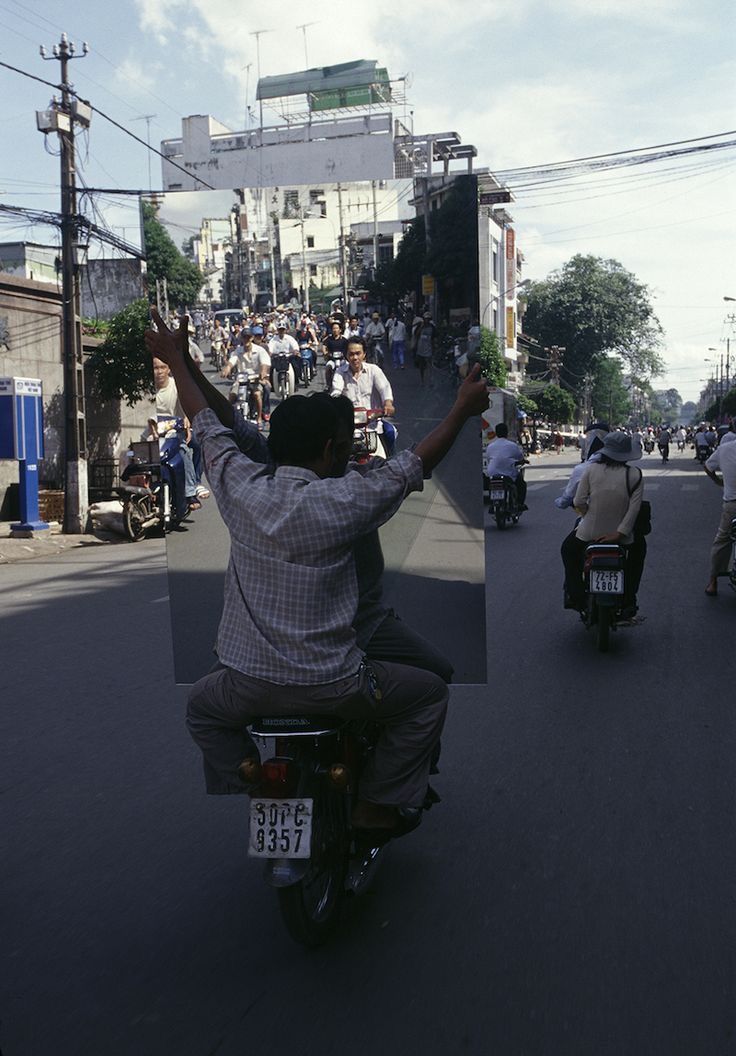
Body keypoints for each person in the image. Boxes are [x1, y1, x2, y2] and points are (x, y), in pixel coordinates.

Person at [145, 311, 489, 836]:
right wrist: (462, 408)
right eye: (345, 440)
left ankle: (250, 775)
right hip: (338, 667)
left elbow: (211, 422)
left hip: (250, 675)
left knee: (201, 708)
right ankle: (381, 797)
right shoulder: (351, 495)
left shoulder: (242, 481)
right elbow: (417, 462)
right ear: (331, 449)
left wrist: (180, 360)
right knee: (431, 687)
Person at [560, 431, 644, 615]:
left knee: (567, 550)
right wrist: (620, 533)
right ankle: (629, 598)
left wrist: (588, 515)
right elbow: (634, 509)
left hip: (589, 532)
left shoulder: (591, 469)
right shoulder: (635, 474)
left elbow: (578, 501)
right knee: (639, 552)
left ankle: (576, 596)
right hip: (623, 537)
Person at [330, 335, 397, 456]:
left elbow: (384, 388)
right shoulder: (340, 372)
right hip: (349, 426)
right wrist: (335, 404)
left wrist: (388, 404)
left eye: (358, 353)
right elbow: (336, 391)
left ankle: (391, 460)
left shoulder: (374, 370)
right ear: (346, 356)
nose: (355, 357)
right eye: (351, 354)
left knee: (390, 433)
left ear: (364, 354)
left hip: (373, 425)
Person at [703, 429, 736, 596]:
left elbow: (708, 467)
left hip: (731, 504)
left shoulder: (724, 449)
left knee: (722, 541)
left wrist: (718, 482)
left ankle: (713, 581)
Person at [484, 423, 527, 509]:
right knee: (522, 484)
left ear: (496, 433)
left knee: (491, 486)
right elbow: (520, 458)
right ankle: (520, 504)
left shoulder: (490, 446)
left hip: (492, 473)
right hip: (508, 474)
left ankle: (493, 504)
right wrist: (523, 461)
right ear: (507, 432)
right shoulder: (512, 445)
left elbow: (489, 458)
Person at [413, 313, 435, 387]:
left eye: (428, 319)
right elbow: (416, 335)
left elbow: (434, 337)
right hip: (420, 348)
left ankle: (430, 380)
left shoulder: (432, 327)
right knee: (421, 366)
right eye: (426, 319)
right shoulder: (420, 326)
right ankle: (422, 380)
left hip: (429, 348)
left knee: (429, 365)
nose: (427, 321)